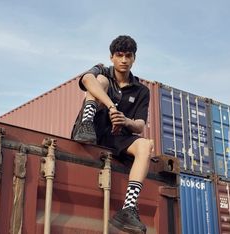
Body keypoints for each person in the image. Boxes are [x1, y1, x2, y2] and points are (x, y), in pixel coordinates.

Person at [71, 35, 154, 233]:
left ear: (134, 58)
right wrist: (111, 107)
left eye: (128, 55)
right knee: (100, 81)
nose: (124, 60)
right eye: (119, 55)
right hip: (92, 128)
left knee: (146, 145)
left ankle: (127, 209)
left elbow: (140, 125)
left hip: (117, 137)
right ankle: (85, 125)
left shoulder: (142, 90)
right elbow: (86, 79)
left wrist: (125, 120)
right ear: (111, 57)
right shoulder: (102, 69)